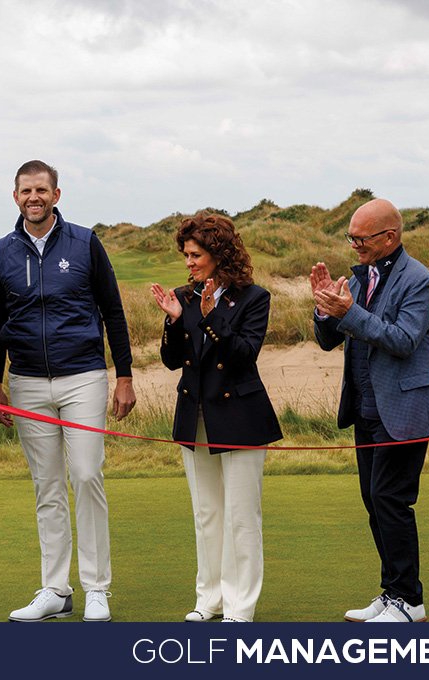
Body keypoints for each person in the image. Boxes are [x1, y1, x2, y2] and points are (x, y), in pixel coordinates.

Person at [0, 160, 136, 623]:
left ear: (56, 194)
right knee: (47, 485)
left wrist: (125, 375)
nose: (33, 197)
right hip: (27, 381)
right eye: (25, 191)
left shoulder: (85, 242)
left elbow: (112, 310)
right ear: (15, 197)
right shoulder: (1, 252)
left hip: (83, 376)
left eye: (41, 190)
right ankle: (55, 589)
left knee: (86, 475)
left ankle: (97, 587)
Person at [311, 198, 429, 623]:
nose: (354, 245)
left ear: (390, 237)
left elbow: (403, 340)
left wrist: (349, 312)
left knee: (391, 500)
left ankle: (410, 601)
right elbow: (329, 341)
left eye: (361, 238)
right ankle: (392, 594)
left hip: (403, 409)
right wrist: (325, 309)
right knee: (375, 500)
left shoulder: (419, 281)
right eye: (350, 237)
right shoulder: (361, 277)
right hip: (366, 410)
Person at [150, 211, 282, 623]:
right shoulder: (184, 297)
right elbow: (172, 360)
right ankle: (209, 600)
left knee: (241, 517)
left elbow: (243, 354)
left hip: (241, 417)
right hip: (196, 416)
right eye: (186, 255)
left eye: (195, 255)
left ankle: (239, 607)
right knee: (206, 514)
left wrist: (210, 318)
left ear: (218, 254)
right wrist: (174, 321)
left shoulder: (254, 298)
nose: (188, 262)